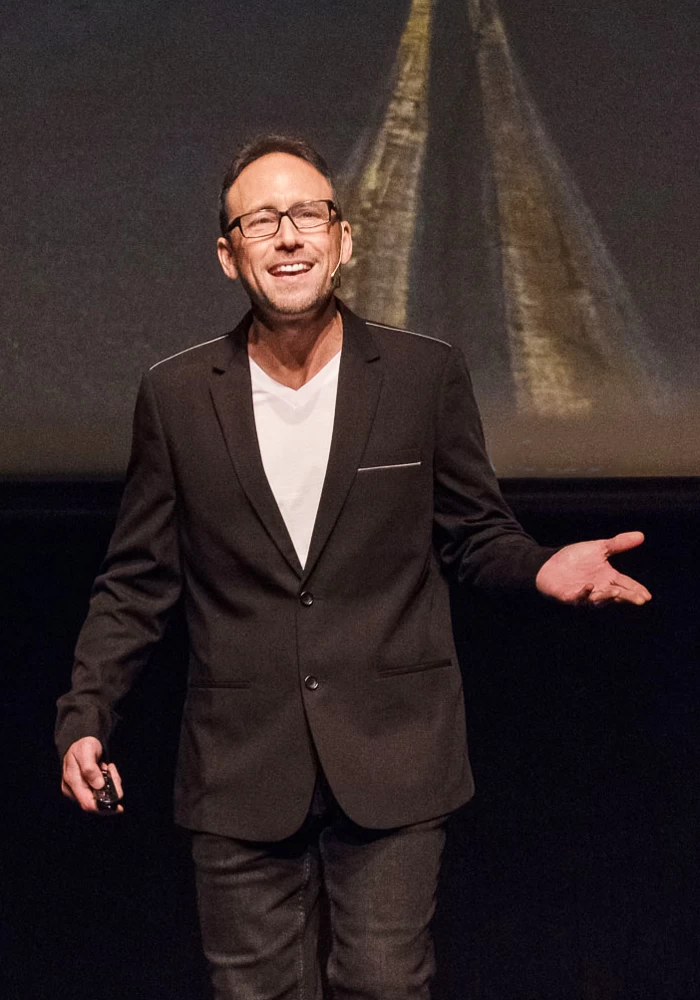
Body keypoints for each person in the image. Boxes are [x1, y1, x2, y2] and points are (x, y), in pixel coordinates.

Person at [56, 134, 651, 999]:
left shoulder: (421, 375)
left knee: (384, 985)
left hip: (395, 753)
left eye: (309, 215)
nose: (289, 235)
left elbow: (475, 533)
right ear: (228, 255)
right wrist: (85, 713)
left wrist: (537, 568)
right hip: (239, 764)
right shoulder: (178, 395)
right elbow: (138, 579)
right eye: (262, 220)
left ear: (345, 238)